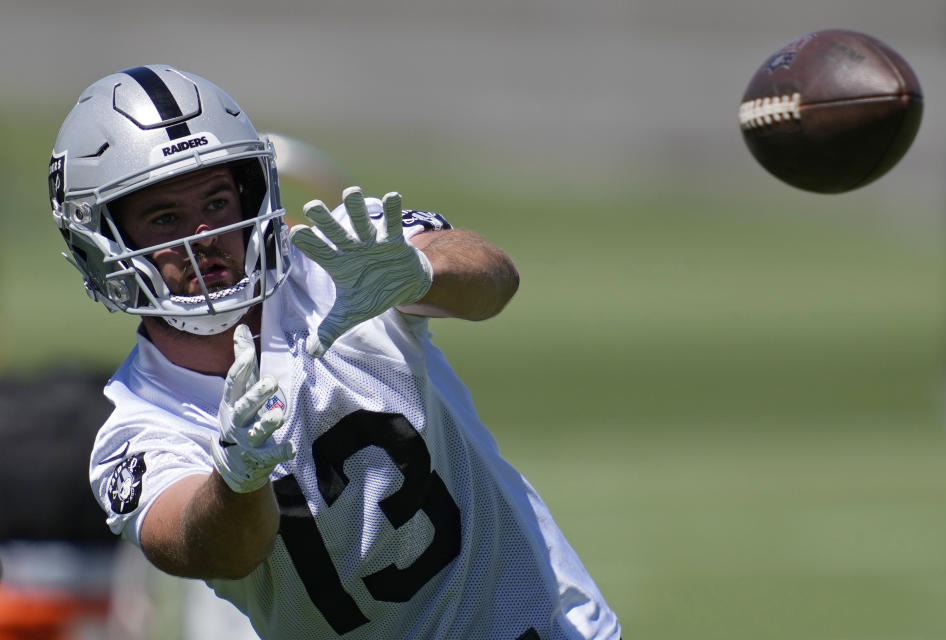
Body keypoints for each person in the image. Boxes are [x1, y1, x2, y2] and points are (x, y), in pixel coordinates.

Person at [48, 64, 621, 639]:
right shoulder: (138, 428)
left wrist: (421, 270)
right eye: (166, 217)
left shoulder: (331, 258)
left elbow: (494, 282)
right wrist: (238, 480)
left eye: (219, 201)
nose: (205, 234)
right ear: (101, 244)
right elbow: (214, 551)